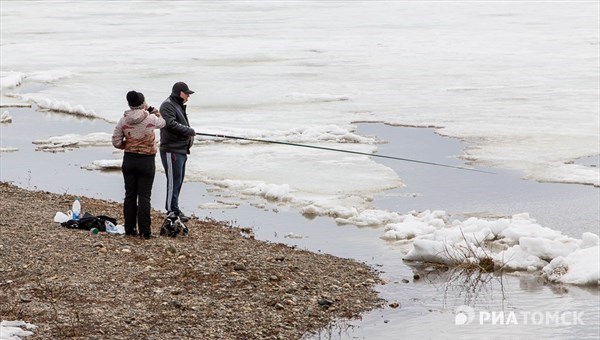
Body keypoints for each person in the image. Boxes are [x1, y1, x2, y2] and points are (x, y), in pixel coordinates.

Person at [112, 90, 166, 238]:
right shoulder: (150, 119)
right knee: (144, 196)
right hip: (146, 160)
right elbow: (163, 123)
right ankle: (145, 232)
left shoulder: (123, 120)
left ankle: (130, 229)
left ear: (129, 104)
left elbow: (116, 141)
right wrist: (155, 111)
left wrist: (129, 145)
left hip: (129, 159)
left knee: (129, 195)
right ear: (143, 104)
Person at [159, 81, 196, 222]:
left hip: (181, 150)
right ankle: (171, 210)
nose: (188, 96)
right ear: (180, 93)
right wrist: (189, 131)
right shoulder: (167, 105)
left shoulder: (177, 105)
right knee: (173, 181)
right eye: (187, 93)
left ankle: (175, 208)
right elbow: (170, 124)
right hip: (171, 150)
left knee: (178, 181)